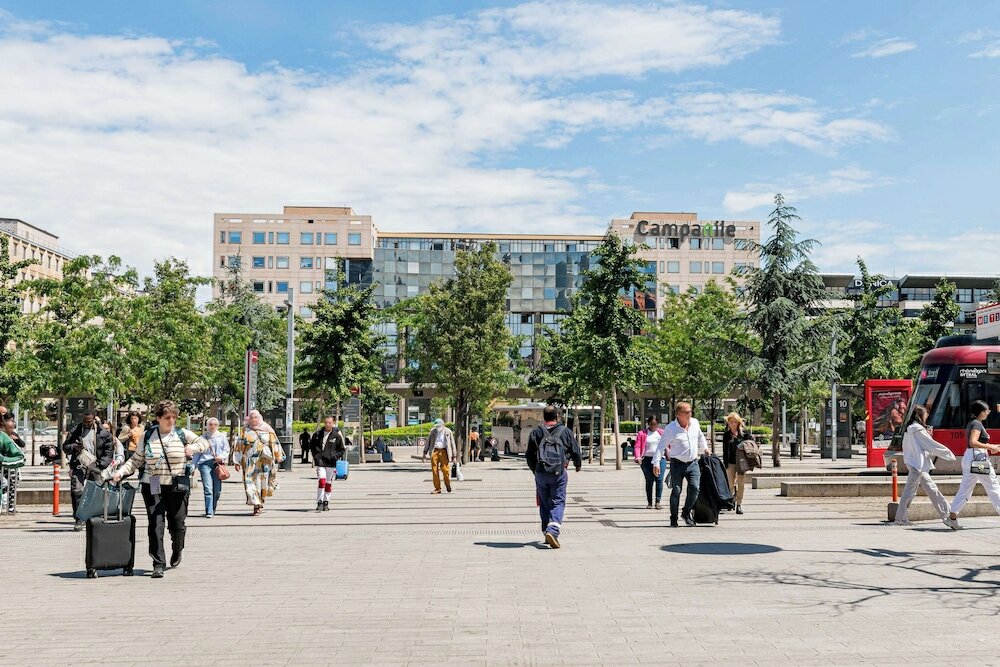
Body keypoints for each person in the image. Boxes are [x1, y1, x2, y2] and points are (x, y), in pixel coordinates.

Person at [112, 400, 208, 578]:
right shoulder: (149, 436)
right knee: (155, 523)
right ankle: (158, 563)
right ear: (158, 418)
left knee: (177, 523)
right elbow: (136, 460)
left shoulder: (181, 433)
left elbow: (204, 443)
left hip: (177, 484)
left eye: (173, 417)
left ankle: (177, 548)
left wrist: (192, 448)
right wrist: (121, 472)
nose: (171, 421)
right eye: (167, 418)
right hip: (153, 483)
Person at [525, 405, 582, 549]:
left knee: (544, 502)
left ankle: (546, 531)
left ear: (543, 417)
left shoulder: (536, 432)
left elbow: (529, 454)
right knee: (558, 501)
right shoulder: (565, 431)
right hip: (558, 472)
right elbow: (575, 450)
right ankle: (553, 530)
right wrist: (578, 464)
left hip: (540, 473)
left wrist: (535, 470)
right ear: (557, 416)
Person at [894, 405, 955, 526]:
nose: (927, 416)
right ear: (920, 416)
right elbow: (931, 445)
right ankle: (901, 519)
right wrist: (948, 454)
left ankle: (947, 513)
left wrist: (927, 435)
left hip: (914, 464)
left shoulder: (909, 429)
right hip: (918, 466)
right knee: (915, 492)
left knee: (928, 490)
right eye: (926, 414)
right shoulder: (918, 430)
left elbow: (918, 445)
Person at [652, 402, 709, 528]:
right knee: (676, 491)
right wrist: (656, 463)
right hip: (677, 464)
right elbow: (661, 446)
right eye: (687, 412)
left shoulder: (695, 423)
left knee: (695, 488)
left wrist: (705, 448)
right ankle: (674, 518)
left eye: (690, 411)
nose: (690, 414)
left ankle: (686, 512)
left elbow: (700, 437)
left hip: (693, 463)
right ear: (678, 414)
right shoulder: (671, 428)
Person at [947, 400, 1000, 530]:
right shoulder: (977, 424)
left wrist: (990, 447)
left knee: (965, 489)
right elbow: (973, 442)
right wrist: (990, 446)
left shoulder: (972, 423)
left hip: (971, 457)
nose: (988, 412)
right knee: (993, 486)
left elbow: (972, 444)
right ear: (981, 412)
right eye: (987, 410)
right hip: (978, 458)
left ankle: (952, 517)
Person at [61, 412, 116, 531]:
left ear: (94, 420)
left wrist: (101, 464)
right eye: (85, 421)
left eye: (89, 421)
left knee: (96, 492)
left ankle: (94, 517)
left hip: (95, 465)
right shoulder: (76, 431)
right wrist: (73, 447)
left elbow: (109, 450)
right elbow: (65, 447)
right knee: (77, 490)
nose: (87, 424)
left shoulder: (103, 433)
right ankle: (79, 518)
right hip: (79, 464)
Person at [234, 410, 282, 516]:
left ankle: (261, 503)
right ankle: (256, 504)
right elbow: (239, 446)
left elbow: (274, 443)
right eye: (251, 418)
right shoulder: (245, 430)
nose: (253, 420)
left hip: (264, 462)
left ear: (260, 418)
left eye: (256, 417)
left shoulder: (267, 429)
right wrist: (237, 461)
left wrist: (278, 456)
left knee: (262, 484)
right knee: (250, 483)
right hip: (249, 463)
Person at [193, 418, 230, 518]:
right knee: (208, 488)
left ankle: (213, 507)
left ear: (217, 426)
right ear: (207, 425)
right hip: (205, 463)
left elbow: (226, 450)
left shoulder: (221, 437)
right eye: (210, 424)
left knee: (217, 490)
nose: (212, 426)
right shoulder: (202, 438)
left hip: (217, 464)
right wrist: (193, 466)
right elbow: (197, 453)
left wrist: (221, 456)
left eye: (214, 424)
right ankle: (209, 511)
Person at [310, 416, 347, 512]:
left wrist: (335, 456)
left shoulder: (336, 436)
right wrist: (316, 457)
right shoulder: (317, 434)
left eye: (330, 423)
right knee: (321, 481)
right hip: (321, 462)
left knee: (328, 483)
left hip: (331, 463)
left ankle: (326, 501)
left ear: (333, 423)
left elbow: (342, 449)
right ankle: (320, 502)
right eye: (326, 422)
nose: (328, 424)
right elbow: (312, 447)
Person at [722, 412, 752, 515]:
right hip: (730, 462)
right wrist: (724, 463)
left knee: (741, 483)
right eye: (731, 422)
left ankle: (739, 504)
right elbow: (724, 451)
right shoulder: (726, 435)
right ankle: (732, 497)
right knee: (730, 483)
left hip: (742, 463)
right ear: (728, 423)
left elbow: (752, 444)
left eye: (735, 422)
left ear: (738, 422)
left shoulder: (744, 434)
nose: (733, 424)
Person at [633, 416, 666, 510]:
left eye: (655, 424)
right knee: (649, 480)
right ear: (648, 424)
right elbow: (637, 446)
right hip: (647, 460)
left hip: (660, 459)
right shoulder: (642, 433)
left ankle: (658, 502)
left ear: (658, 424)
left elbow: (669, 443)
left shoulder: (661, 433)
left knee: (659, 480)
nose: (653, 426)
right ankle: (650, 502)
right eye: (651, 424)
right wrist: (638, 457)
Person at [421, 418, 456, 494]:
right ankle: (437, 488)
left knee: (445, 470)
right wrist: (424, 453)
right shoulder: (432, 431)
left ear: (443, 425)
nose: (438, 427)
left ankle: (447, 484)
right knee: (434, 470)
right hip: (435, 451)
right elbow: (428, 442)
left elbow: (452, 443)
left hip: (444, 451)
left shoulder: (448, 431)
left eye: (439, 426)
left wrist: (454, 455)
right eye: (436, 426)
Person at [0, 416, 26, 514]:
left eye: (12, 428)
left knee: (13, 484)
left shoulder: (12, 435)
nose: (11, 430)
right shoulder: (2, 435)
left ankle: (10, 506)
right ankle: (5, 503)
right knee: (5, 484)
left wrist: (16, 439)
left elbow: (22, 445)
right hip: (3, 466)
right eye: (10, 428)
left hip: (10, 464)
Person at [116, 412, 145, 477]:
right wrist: (128, 435)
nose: (134, 420)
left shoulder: (142, 427)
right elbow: (119, 439)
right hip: (131, 451)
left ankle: (145, 485)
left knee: (145, 470)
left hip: (141, 450)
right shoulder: (127, 428)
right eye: (132, 418)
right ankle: (116, 482)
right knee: (130, 469)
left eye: (135, 418)